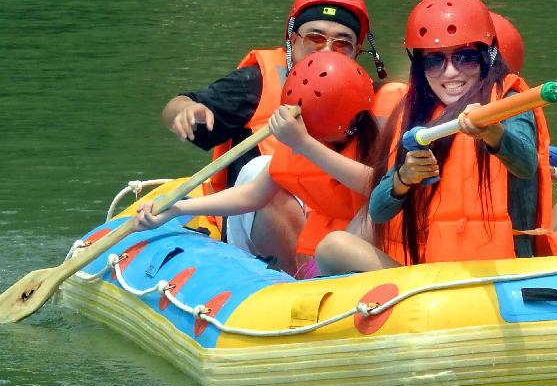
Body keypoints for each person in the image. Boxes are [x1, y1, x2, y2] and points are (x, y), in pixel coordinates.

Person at [315, 0, 557, 275]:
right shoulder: (413, 112)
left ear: (486, 57)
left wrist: (492, 133)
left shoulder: (509, 101)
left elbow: (525, 164)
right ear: (420, 67)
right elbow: (378, 212)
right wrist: (404, 179)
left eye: (465, 58)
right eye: (434, 61)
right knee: (333, 246)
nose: (450, 73)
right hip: (429, 277)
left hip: (507, 271)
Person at [160, 0, 387, 267]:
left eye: (341, 43)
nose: (327, 51)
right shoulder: (256, 83)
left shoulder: (370, 100)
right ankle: (297, 278)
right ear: (293, 40)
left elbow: (383, 185)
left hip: (335, 232)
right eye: (315, 39)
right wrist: (186, 110)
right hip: (259, 221)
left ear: (355, 51)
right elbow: (174, 107)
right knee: (260, 168)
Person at [137, 52, 379, 278]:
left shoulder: (385, 130)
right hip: (328, 261)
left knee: (346, 234)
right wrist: (178, 208)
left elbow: (376, 185)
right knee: (328, 246)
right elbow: (253, 194)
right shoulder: (302, 136)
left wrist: (305, 143)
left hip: (376, 257)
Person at [490, 10, 557, 254]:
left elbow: (528, 153)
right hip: (467, 251)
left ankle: (555, 283)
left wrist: (556, 170)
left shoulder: (513, 110)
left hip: (517, 240)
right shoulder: (431, 121)